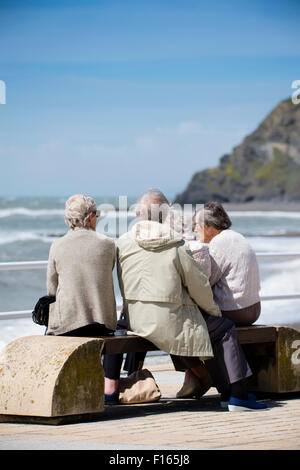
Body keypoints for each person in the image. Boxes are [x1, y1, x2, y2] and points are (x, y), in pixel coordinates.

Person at [103, 189, 267, 411]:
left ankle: (110, 387)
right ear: (166, 214)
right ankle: (234, 395)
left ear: (139, 213)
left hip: (135, 318)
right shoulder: (176, 244)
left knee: (130, 327)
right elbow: (199, 287)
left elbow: (122, 280)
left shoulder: (123, 242)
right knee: (223, 328)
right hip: (169, 321)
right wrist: (213, 311)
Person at [46, 194, 117, 338]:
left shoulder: (57, 246)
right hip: (102, 324)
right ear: (90, 216)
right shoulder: (108, 244)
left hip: (67, 325)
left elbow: (51, 289)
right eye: (97, 214)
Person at [192, 202, 261, 326]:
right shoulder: (237, 236)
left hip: (236, 311)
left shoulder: (218, 243)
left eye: (197, 224)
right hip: (255, 308)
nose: (195, 229)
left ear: (209, 225)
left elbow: (206, 282)